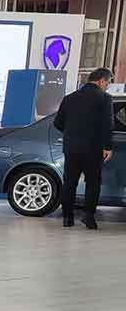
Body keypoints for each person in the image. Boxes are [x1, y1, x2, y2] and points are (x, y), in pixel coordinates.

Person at [54, 67, 115, 229]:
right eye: (107, 83)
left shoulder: (69, 98)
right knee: (93, 183)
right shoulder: (105, 98)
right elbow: (108, 125)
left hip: (71, 148)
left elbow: (57, 123)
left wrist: (71, 134)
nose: (107, 86)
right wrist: (107, 146)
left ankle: (67, 218)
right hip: (93, 148)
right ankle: (88, 217)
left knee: (70, 182)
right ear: (101, 81)